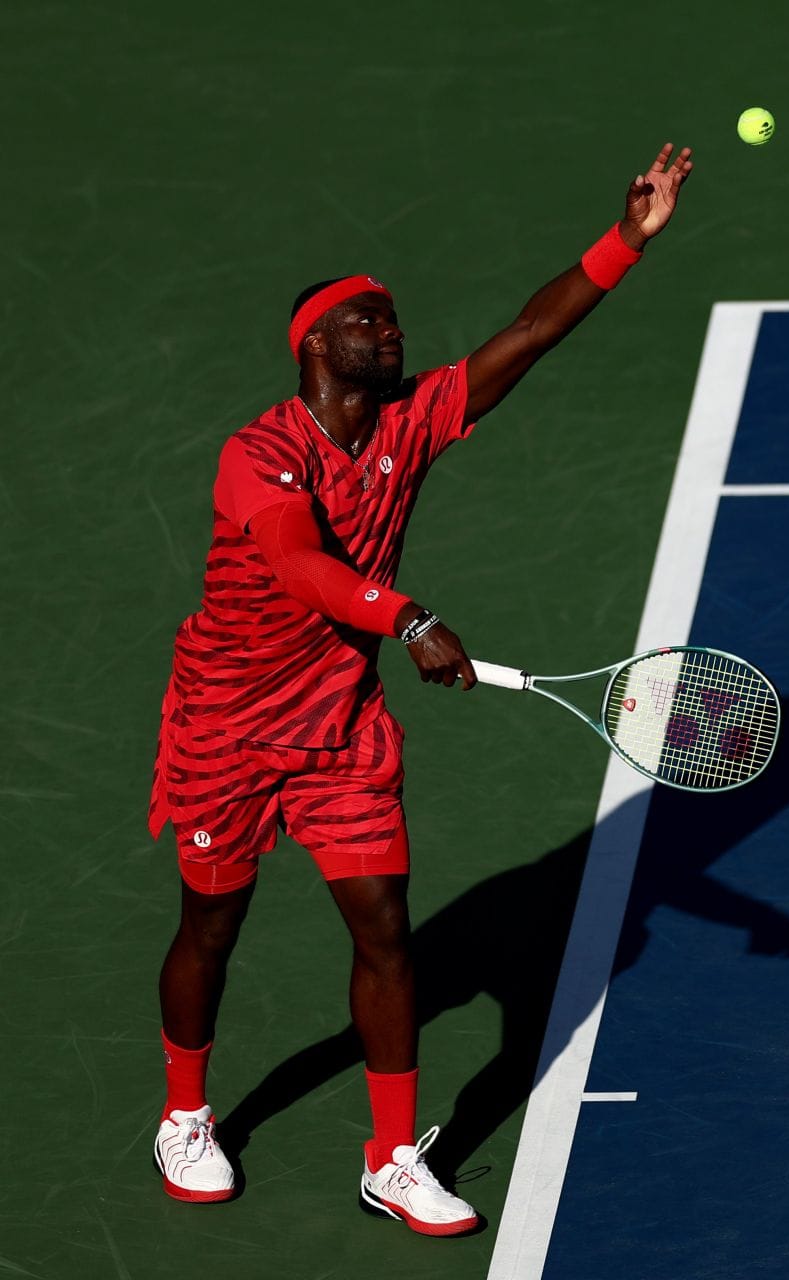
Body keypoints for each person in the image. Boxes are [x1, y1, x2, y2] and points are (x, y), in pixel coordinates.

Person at [146, 143, 694, 1236]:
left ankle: (392, 1155)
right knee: (212, 926)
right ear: (316, 344)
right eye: (369, 319)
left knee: (387, 930)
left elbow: (530, 334)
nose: (391, 330)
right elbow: (299, 560)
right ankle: (186, 1113)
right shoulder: (258, 454)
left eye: (394, 319)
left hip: (341, 727)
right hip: (228, 727)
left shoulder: (410, 425)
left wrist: (624, 239)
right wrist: (407, 614)